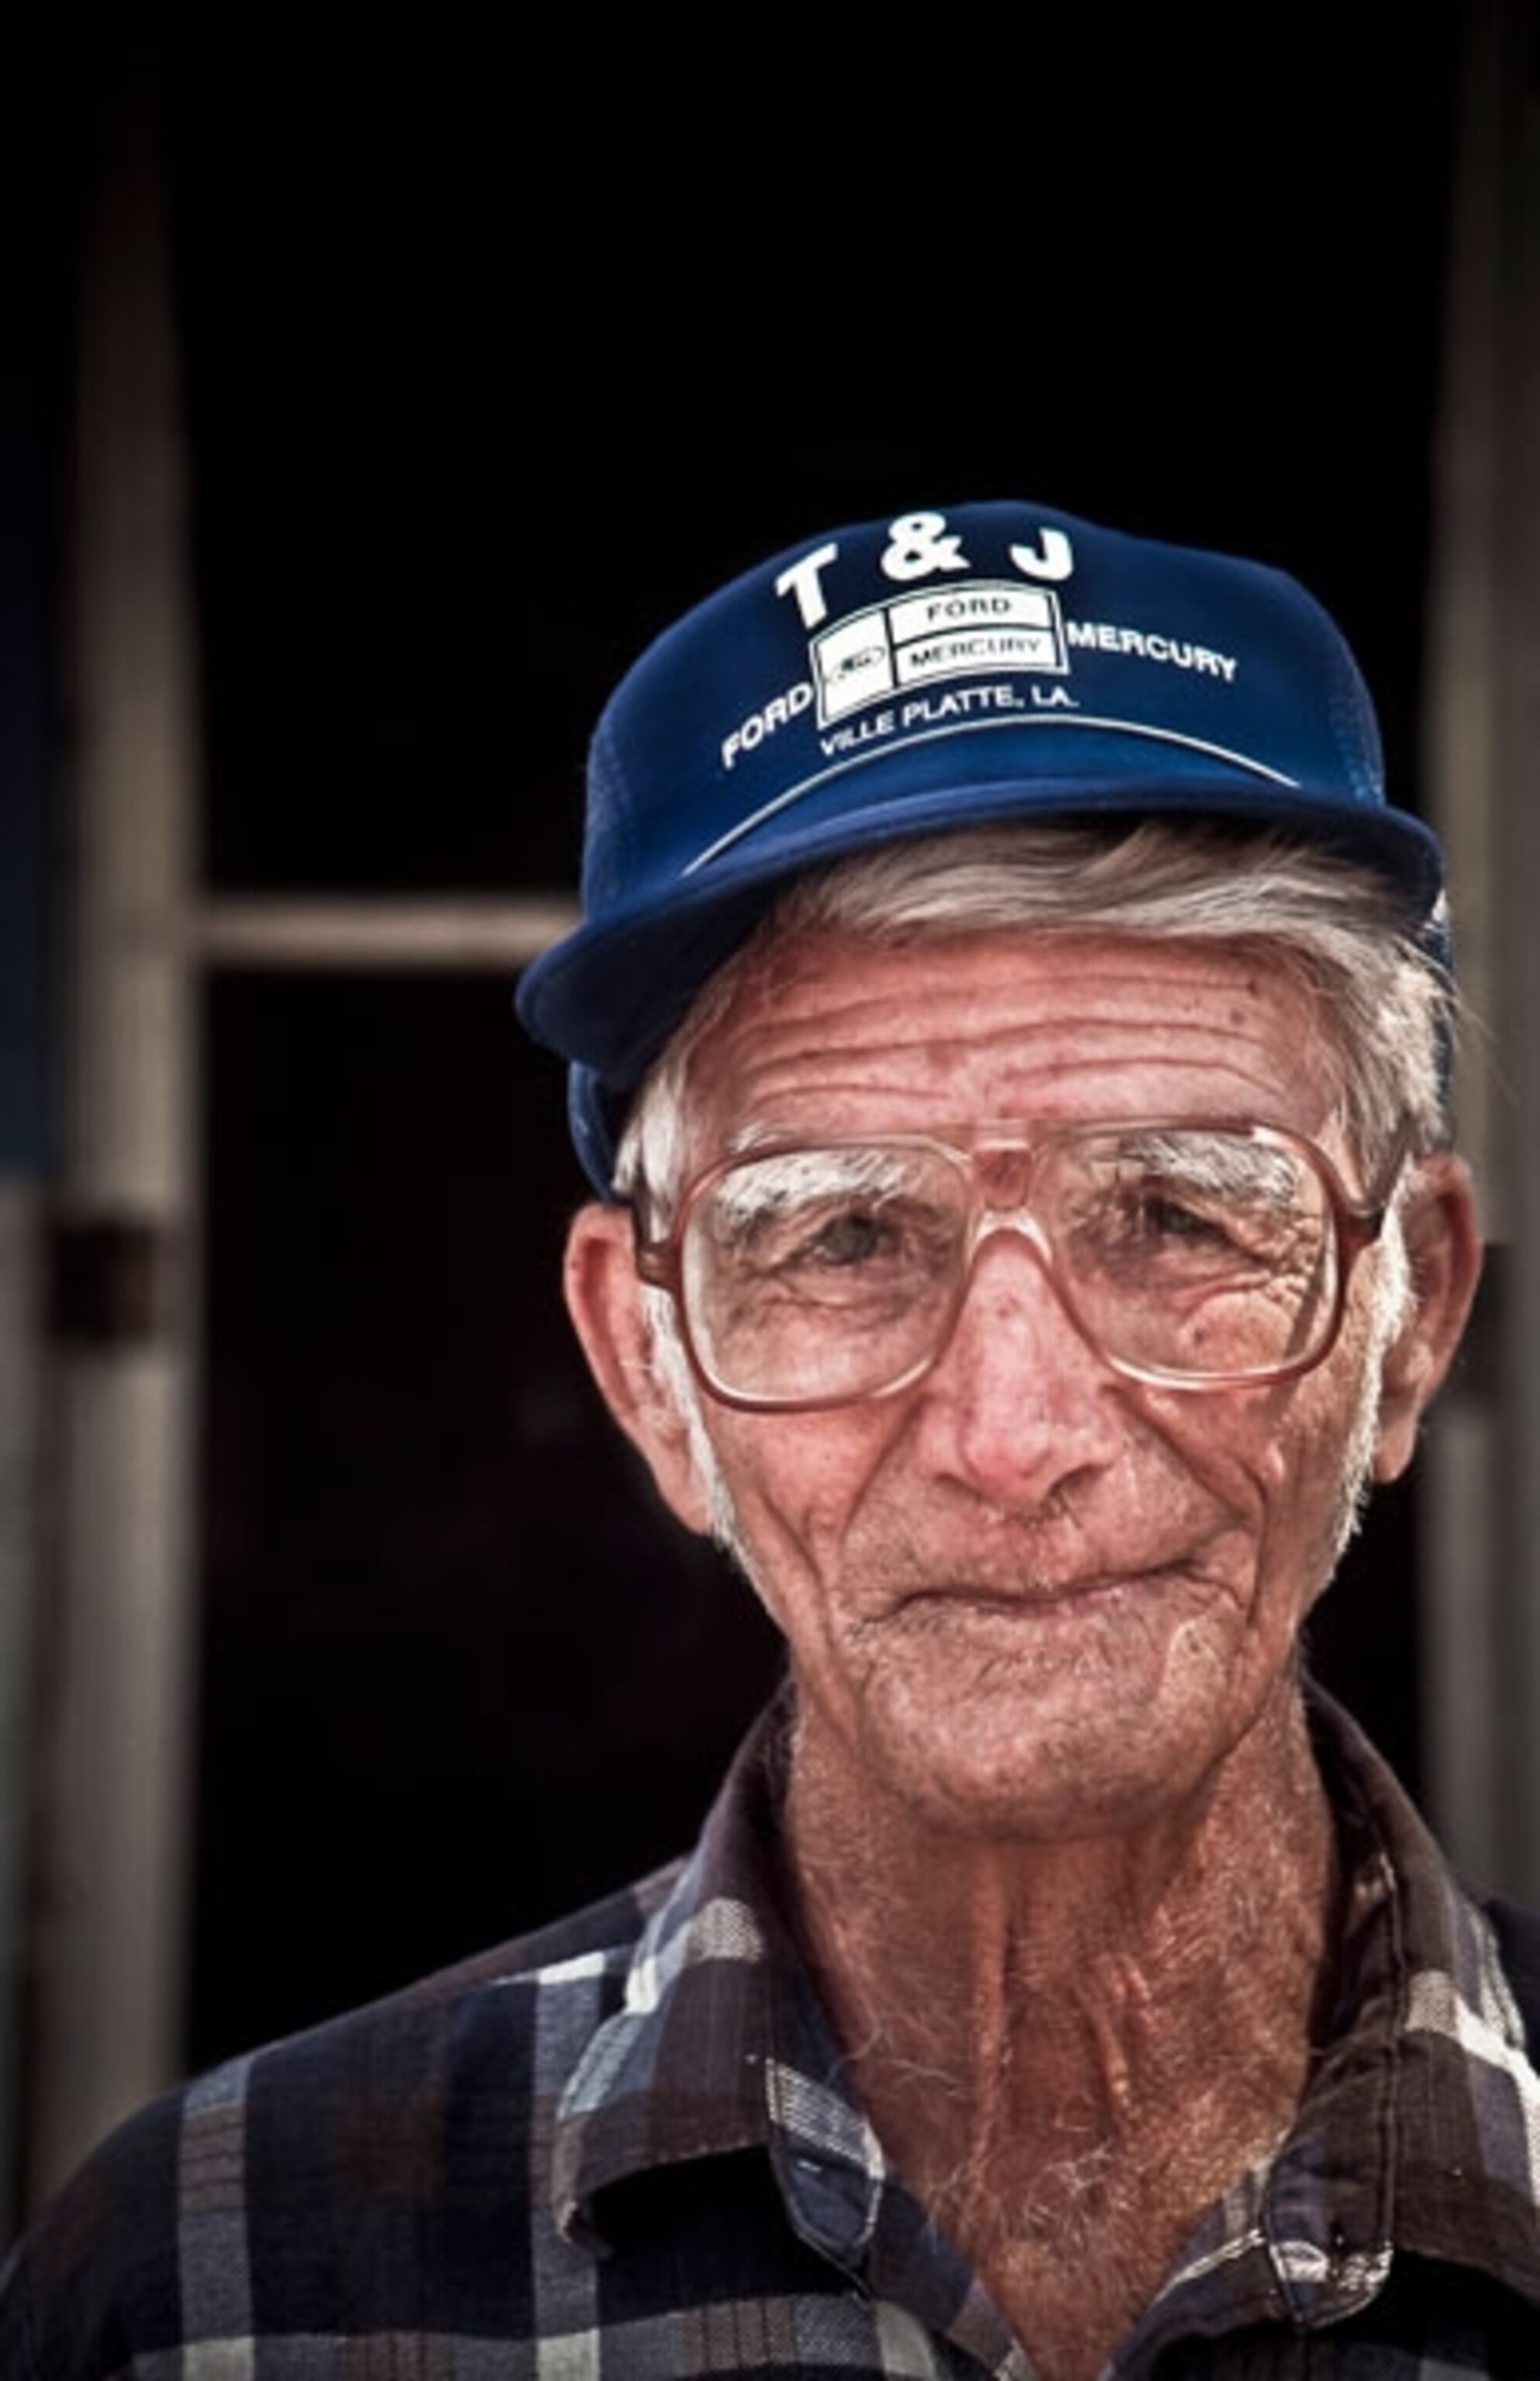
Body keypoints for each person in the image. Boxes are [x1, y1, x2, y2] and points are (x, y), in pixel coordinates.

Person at [3, 497, 1532, 2378]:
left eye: (1182, 1213)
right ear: (647, 1366)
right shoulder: (209, 2288)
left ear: (1406, 1326)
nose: (1013, 1432)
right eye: (842, 1237)